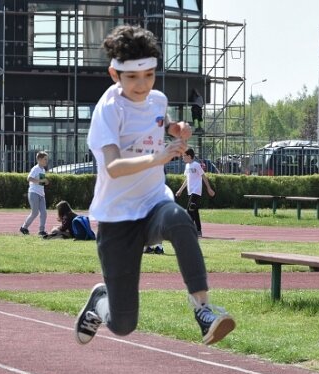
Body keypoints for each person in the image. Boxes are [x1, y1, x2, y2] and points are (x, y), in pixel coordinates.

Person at [74, 24, 235, 347]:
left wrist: (178, 128)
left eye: (149, 75)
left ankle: (203, 310)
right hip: (117, 218)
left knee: (179, 219)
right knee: (123, 324)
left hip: (152, 204)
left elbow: (160, 122)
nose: (142, 84)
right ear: (114, 74)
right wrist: (158, 158)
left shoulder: (157, 100)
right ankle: (99, 302)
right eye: (133, 77)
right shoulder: (108, 111)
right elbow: (114, 167)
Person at [175, 148, 215, 238]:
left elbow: (203, 176)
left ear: (189, 156)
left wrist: (209, 188)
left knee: (189, 209)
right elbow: (187, 179)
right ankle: (198, 230)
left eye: (184, 156)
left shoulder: (196, 165)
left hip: (196, 191)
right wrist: (180, 190)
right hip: (190, 191)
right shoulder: (187, 166)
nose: (183, 158)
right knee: (194, 211)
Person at [20, 151, 49, 237]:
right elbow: (29, 178)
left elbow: (41, 183)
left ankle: (41, 230)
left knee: (44, 213)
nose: (46, 161)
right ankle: (24, 227)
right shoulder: (35, 168)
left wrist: (45, 182)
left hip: (41, 194)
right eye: (45, 159)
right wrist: (41, 181)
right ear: (39, 159)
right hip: (33, 193)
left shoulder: (43, 170)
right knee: (35, 213)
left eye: (46, 159)